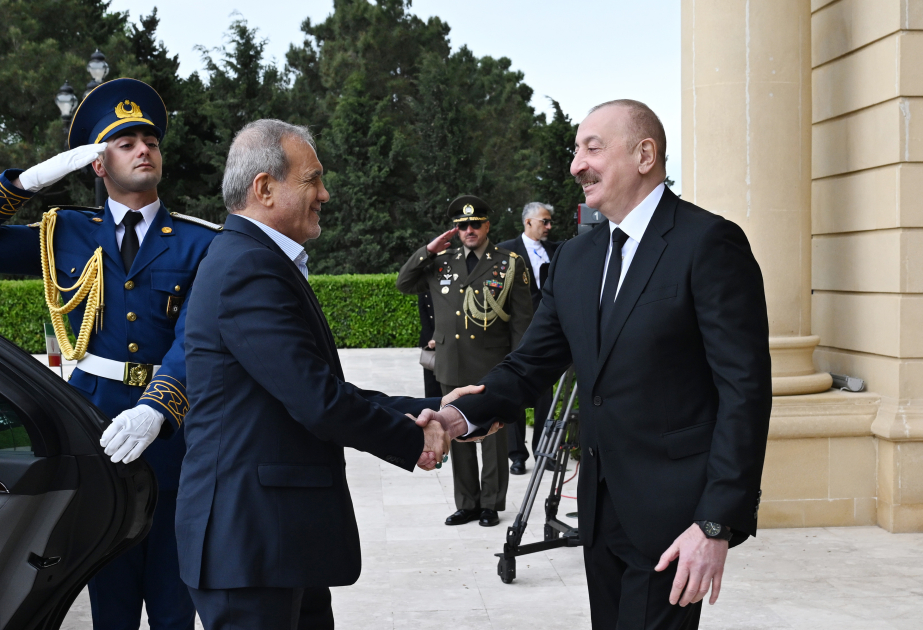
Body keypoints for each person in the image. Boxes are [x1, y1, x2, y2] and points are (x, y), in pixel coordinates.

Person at [420, 100, 772, 629]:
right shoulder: (577, 260)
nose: (575, 165)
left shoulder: (709, 244)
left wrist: (716, 523)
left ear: (645, 155)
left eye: (592, 148)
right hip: (600, 510)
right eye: (575, 150)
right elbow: (529, 364)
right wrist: (459, 417)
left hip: (677, 520)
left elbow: (745, 391)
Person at [178, 119, 487, 630]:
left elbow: (319, 388)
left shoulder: (257, 261)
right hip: (250, 543)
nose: (325, 193)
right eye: (312, 179)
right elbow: (317, 401)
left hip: (278, 540)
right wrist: (417, 438)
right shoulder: (246, 268)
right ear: (264, 187)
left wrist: (424, 411)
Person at [0, 78, 220, 630]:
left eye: (150, 139)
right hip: (92, 425)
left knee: (175, 599)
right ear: (97, 164)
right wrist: (21, 184)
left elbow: (199, 336)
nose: (143, 148)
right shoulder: (64, 232)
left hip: (175, 430)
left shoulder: (201, 242)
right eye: (125, 143)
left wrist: (159, 405)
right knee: (109, 600)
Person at [396, 196, 533, 527]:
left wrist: (517, 369)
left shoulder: (508, 262)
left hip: (492, 365)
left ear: (487, 225)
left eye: (475, 224)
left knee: (494, 438)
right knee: (454, 436)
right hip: (452, 363)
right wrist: (428, 250)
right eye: (462, 225)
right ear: (455, 230)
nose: (469, 230)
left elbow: (521, 322)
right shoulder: (441, 260)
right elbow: (404, 283)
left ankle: (491, 503)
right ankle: (467, 502)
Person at [497, 202, 562, 474]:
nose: (549, 227)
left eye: (549, 222)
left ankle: (542, 452)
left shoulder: (557, 251)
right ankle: (517, 455)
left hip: (547, 336)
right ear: (528, 222)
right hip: (514, 335)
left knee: (544, 395)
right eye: (544, 222)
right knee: (514, 393)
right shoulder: (503, 250)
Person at [418, 291, 442, 398]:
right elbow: (423, 313)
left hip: (446, 338)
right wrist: (430, 338)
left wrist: (439, 337)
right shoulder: (424, 287)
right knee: (431, 382)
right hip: (429, 340)